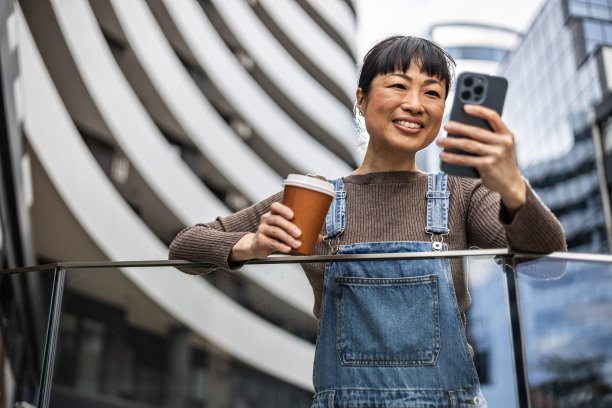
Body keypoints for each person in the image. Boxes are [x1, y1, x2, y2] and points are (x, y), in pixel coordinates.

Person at [169, 35, 566, 407]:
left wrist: (514, 188)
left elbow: (550, 261)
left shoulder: (461, 194)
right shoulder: (316, 197)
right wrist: (250, 245)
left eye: (432, 93)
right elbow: (184, 249)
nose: (415, 103)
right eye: (398, 85)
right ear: (361, 99)